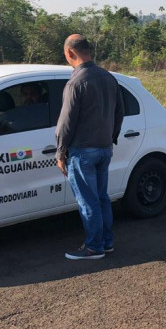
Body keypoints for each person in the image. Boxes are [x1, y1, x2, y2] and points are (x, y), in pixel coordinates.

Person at [55, 34, 124, 260]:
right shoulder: (108, 77)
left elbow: (66, 122)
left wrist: (60, 152)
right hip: (104, 148)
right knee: (101, 197)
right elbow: (119, 113)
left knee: (88, 200)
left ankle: (94, 247)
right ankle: (107, 242)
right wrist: (110, 137)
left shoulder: (75, 82)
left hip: (82, 151)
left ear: (69, 53)